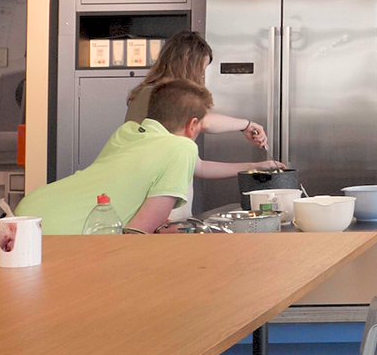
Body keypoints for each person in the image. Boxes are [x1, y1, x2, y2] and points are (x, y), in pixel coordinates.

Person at [18, 80, 221, 234]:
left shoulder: (128, 131)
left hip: (31, 209)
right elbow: (137, 233)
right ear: (192, 125)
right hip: (64, 231)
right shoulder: (183, 147)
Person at [129, 30, 274, 155]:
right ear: (188, 66)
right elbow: (204, 122)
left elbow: (197, 165)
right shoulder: (158, 94)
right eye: (201, 70)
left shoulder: (148, 91)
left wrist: (256, 166)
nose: (201, 76)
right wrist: (246, 125)